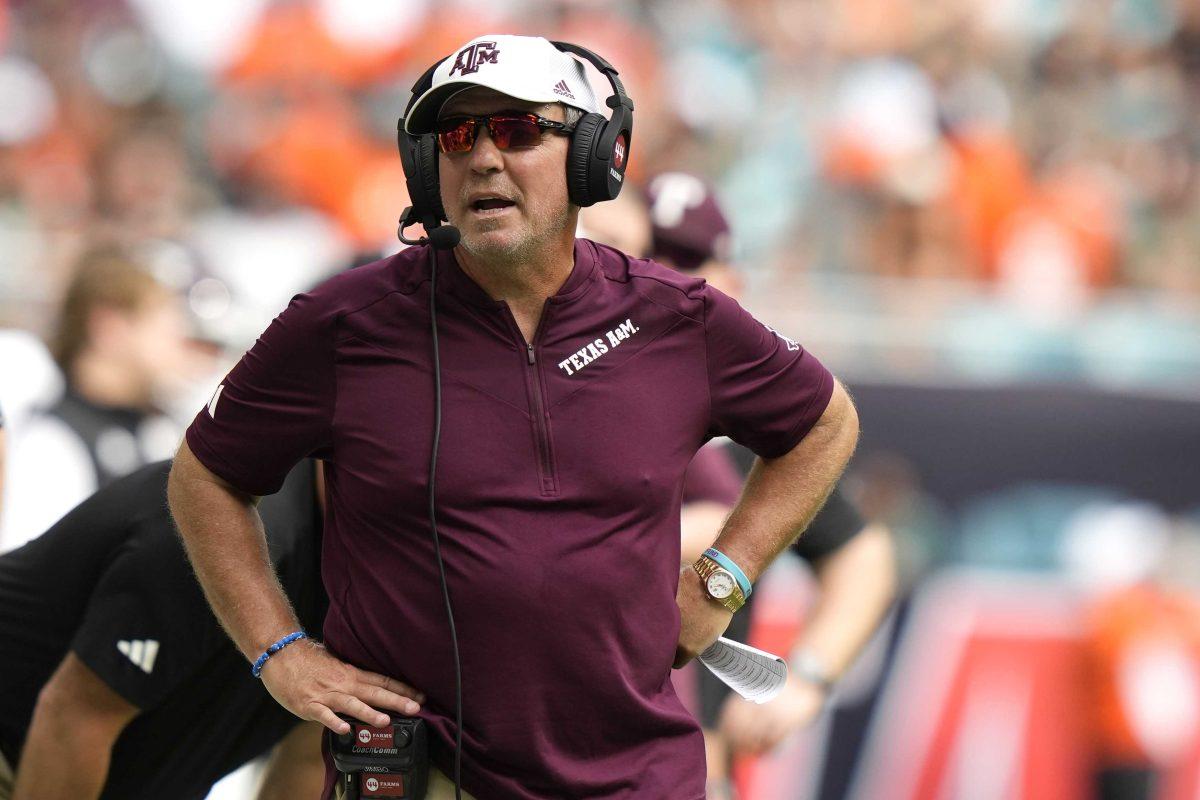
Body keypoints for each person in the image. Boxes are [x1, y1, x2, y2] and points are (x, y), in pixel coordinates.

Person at [168, 34, 858, 800]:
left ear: (596, 156)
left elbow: (824, 424)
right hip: (425, 775)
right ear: (428, 169)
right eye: (458, 137)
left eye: (521, 130)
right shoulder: (342, 323)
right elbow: (207, 474)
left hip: (641, 778)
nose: (485, 158)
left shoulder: (681, 319)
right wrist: (279, 652)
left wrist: (722, 579)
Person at [646, 172, 896, 797]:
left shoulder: (742, 426)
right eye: (647, 260)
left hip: (691, 768)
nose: (664, 282)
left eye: (687, 265)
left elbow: (861, 554)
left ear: (731, 281)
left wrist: (806, 681)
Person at [0, 459, 329, 800]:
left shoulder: (366, 588)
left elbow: (311, 758)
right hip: (22, 754)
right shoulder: (229, 526)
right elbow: (74, 717)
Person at [0, 246, 199, 551]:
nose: (180, 337)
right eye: (164, 320)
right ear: (110, 326)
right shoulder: (53, 444)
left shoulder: (159, 426)